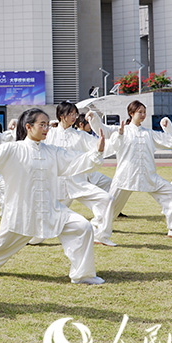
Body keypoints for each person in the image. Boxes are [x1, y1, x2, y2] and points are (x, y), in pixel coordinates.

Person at [0, 108, 106, 284]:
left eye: (47, 125)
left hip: (51, 209)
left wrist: (96, 152)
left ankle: (83, 275)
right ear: (28, 127)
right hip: (22, 211)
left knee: (83, 227)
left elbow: (74, 160)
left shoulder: (53, 151)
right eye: (42, 124)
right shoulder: (13, 149)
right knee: (0, 244)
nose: (46, 128)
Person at [88, 100, 172, 240]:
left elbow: (169, 140)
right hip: (125, 176)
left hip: (148, 175)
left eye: (144, 112)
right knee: (111, 206)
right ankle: (99, 230)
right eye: (140, 112)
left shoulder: (148, 133)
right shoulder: (121, 130)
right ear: (131, 113)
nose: (143, 115)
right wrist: (94, 118)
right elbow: (103, 129)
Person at [45, 102, 116, 246]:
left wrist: (116, 139)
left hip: (77, 182)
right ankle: (29, 237)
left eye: (75, 114)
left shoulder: (80, 136)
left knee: (106, 199)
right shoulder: (49, 134)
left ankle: (100, 234)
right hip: (54, 184)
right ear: (61, 116)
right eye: (70, 114)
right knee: (43, 221)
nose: (74, 117)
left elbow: (99, 145)